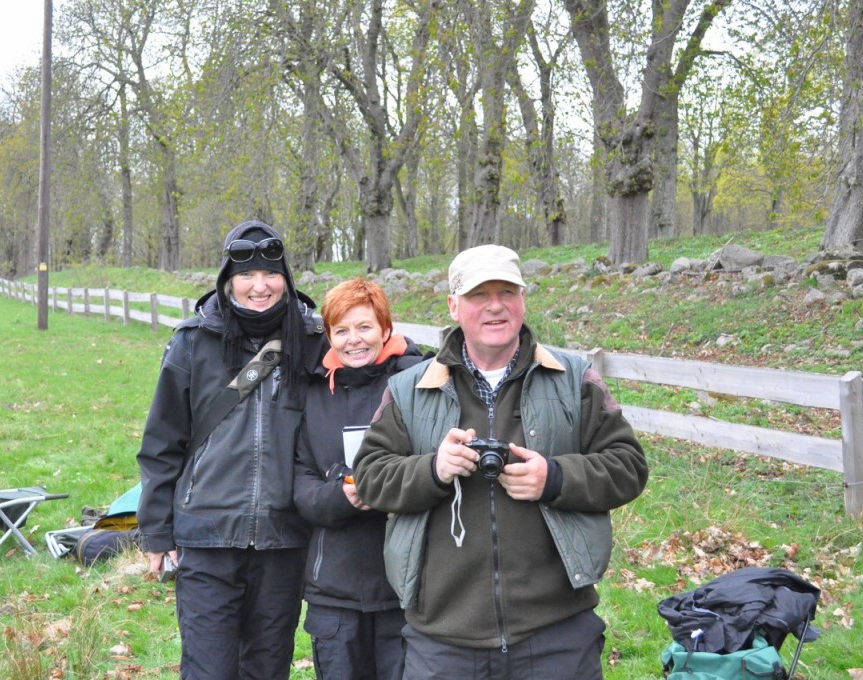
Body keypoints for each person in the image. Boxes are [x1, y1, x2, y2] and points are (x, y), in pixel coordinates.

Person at [353, 244, 649, 679]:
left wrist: (555, 477)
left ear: (523, 300)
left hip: (556, 634)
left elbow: (628, 466)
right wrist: (433, 470)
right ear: (454, 306)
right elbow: (369, 477)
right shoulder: (409, 389)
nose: (495, 306)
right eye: (478, 295)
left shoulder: (572, 378)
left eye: (507, 292)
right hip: (443, 638)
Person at [136, 220, 327, 680]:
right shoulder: (192, 342)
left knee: (267, 668)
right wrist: (156, 532)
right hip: (206, 535)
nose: (259, 286)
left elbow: (369, 364)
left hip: (284, 538)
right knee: (208, 670)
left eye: (271, 274)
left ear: (286, 278)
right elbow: (163, 441)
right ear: (228, 279)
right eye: (247, 275)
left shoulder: (314, 340)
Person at [293, 278, 425, 680]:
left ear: (386, 329)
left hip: (405, 586)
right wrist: (340, 496)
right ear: (329, 335)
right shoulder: (313, 392)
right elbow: (300, 481)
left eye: (365, 327)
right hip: (335, 588)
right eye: (342, 330)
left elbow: (435, 468)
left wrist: (385, 487)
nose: (355, 340)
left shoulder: (419, 383)